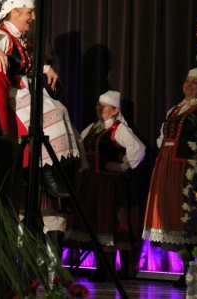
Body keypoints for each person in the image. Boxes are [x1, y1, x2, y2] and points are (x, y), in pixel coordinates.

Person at [0, 0, 79, 198]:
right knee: (50, 114)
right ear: (15, 13)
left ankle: (50, 170)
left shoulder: (18, 38)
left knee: (60, 110)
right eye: (29, 12)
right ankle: (46, 174)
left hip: (25, 90)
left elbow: (26, 63)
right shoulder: (2, 35)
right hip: (13, 94)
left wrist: (46, 68)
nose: (33, 17)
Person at [65, 90, 145, 282]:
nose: (99, 109)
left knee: (107, 222)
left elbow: (139, 149)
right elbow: (79, 145)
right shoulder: (92, 128)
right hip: (90, 183)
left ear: (115, 110)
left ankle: (108, 268)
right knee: (93, 222)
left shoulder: (119, 129)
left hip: (108, 184)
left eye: (104, 106)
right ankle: (100, 266)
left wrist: (122, 165)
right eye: (98, 106)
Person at [141, 69, 197, 286]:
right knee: (175, 218)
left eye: (194, 83)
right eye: (187, 81)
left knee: (188, 217)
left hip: (187, 167)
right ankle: (185, 271)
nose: (188, 85)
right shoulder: (176, 109)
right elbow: (163, 136)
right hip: (168, 165)